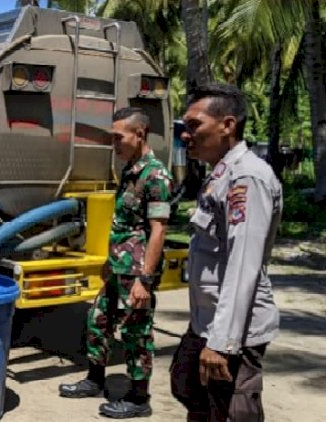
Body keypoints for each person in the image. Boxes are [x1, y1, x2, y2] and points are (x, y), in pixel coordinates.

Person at [170, 83, 281, 422]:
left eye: (194, 126)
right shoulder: (221, 174)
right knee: (186, 385)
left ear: (228, 125)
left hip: (233, 332)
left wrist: (221, 343)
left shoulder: (248, 177)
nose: (186, 136)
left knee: (232, 412)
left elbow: (243, 264)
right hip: (208, 321)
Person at [59, 107, 173, 419]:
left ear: (140, 135)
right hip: (119, 267)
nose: (114, 144)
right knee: (97, 321)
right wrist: (111, 263)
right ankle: (95, 379)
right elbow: (126, 225)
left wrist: (145, 280)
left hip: (137, 272)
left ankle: (139, 398)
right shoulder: (130, 169)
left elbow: (158, 230)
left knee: (137, 333)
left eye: (118, 137)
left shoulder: (156, 175)